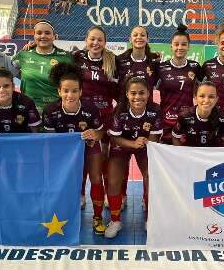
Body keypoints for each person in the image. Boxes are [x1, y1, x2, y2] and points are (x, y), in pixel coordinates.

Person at [43, 63, 107, 235]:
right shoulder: (50, 111)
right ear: (59, 91)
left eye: (74, 91)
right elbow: (49, 140)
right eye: (66, 90)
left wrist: (95, 133)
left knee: (96, 179)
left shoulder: (90, 109)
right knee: (67, 182)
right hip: (64, 153)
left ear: (80, 92)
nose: (69, 95)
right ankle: (65, 216)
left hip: (90, 148)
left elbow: (101, 133)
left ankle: (97, 217)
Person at [106, 77, 162, 238]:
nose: (138, 97)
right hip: (122, 145)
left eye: (142, 93)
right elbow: (114, 138)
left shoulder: (155, 110)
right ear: (127, 94)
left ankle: (149, 220)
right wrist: (133, 144)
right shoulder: (119, 111)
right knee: (113, 180)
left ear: (149, 93)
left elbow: (154, 136)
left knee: (150, 177)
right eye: (133, 93)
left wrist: (144, 143)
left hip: (144, 146)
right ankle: (115, 220)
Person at [115, 26, 160, 209]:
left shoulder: (154, 62)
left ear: (147, 39)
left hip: (146, 116)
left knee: (147, 164)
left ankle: (146, 199)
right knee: (122, 162)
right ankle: (122, 196)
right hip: (124, 114)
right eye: (135, 34)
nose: (139, 37)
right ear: (130, 38)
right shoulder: (120, 61)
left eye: (142, 35)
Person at [72, 26, 117, 209]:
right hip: (83, 117)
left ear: (105, 43)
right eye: (92, 39)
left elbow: (118, 89)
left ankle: (108, 195)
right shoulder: (77, 58)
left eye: (99, 40)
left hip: (105, 116)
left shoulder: (113, 61)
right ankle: (81, 194)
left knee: (104, 157)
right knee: (82, 158)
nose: (95, 43)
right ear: (86, 40)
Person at [155, 25, 202, 144]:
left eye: (184, 44)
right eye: (176, 44)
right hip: (166, 121)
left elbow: (204, 90)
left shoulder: (195, 67)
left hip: (187, 121)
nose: (180, 47)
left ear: (189, 46)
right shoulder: (161, 67)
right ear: (171, 46)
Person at [13, 20, 73, 111]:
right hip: (29, 109)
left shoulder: (66, 57)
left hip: (56, 109)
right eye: (39, 33)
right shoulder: (23, 54)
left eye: (47, 33)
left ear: (54, 36)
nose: (43, 36)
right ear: (34, 36)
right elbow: (7, 74)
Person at [0, 68, 40, 133]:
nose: (2, 90)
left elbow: (34, 129)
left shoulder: (27, 102)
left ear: (13, 87)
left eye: (6, 86)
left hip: (20, 140)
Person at [172, 81, 224, 147]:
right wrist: (180, 155)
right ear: (195, 98)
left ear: (216, 99)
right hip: (191, 155)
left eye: (211, 97)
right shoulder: (184, 116)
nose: (206, 100)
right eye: (202, 96)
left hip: (213, 155)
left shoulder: (223, 118)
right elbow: (176, 137)